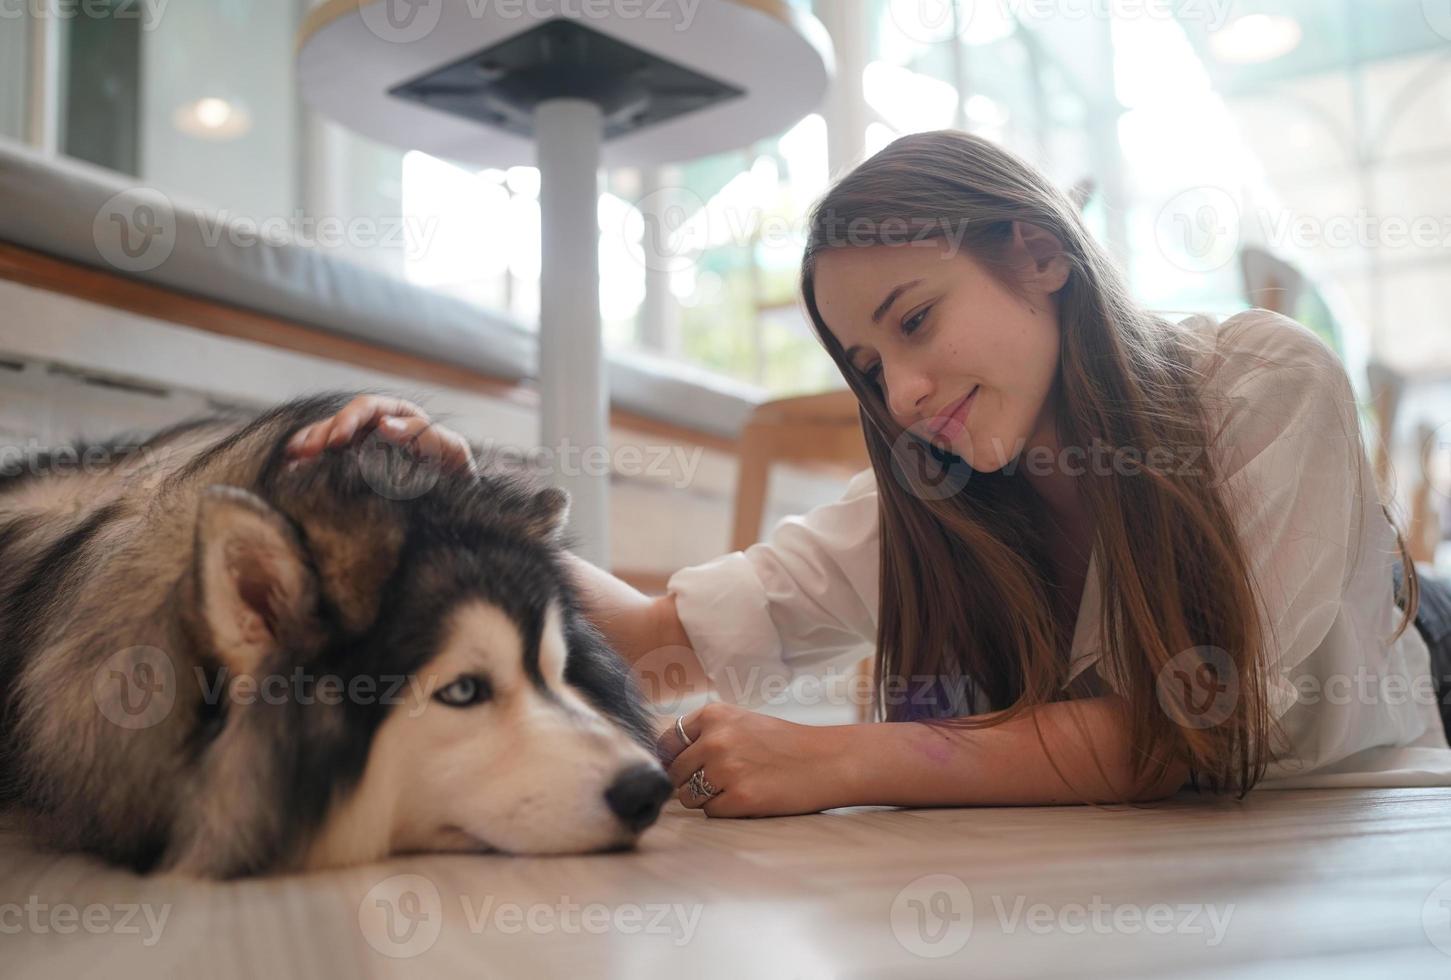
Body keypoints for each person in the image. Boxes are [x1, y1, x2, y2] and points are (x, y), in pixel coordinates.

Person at [287, 130, 1451, 819]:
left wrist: (844, 755)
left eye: (915, 318)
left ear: (1037, 254)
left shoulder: (1259, 384)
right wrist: (447, 498)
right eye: (866, 363)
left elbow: (1189, 729)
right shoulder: (931, 496)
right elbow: (651, 636)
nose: (896, 396)